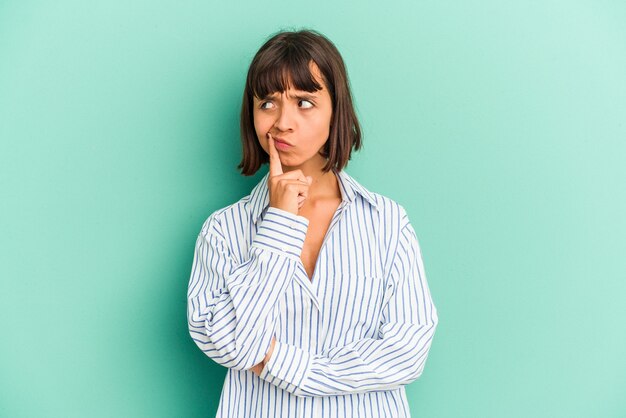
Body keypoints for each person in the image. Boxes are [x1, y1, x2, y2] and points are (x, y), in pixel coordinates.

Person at [187, 28, 438, 417]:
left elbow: (407, 352)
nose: (282, 122)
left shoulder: (387, 222)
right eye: (267, 103)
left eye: (304, 102)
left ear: (336, 109)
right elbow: (229, 345)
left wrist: (283, 364)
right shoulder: (223, 229)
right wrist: (279, 223)